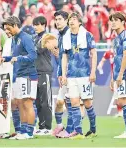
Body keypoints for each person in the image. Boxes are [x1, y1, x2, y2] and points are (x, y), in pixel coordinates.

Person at [61, 13, 97, 139]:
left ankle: (93, 128)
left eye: (74, 19)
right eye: (70, 19)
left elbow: (93, 53)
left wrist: (93, 72)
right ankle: (78, 131)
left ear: (79, 22)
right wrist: (63, 74)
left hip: (84, 74)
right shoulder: (65, 37)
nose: (71, 21)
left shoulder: (87, 35)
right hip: (71, 75)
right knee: (74, 102)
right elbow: (64, 56)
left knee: (87, 103)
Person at [1, 16, 37, 140]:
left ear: (15, 25)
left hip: (28, 75)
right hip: (18, 75)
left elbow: (33, 56)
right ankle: (23, 131)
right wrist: (4, 59)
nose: (6, 31)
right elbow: (14, 57)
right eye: (5, 29)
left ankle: (30, 133)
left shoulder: (25, 38)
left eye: (8, 28)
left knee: (27, 103)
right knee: (20, 103)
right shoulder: (14, 39)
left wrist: (18, 58)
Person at [52, 10, 74, 138]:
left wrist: (66, 73)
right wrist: (60, 73)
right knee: (60, 102)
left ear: (66, 20)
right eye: (56, 19)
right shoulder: (60, 36)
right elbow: (61, 57)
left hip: (71, 74)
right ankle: (60, 126)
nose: (57, 21)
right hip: (63, 74)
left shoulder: (70, 34)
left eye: (60, 19)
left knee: (70, 102)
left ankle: (71, 129)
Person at [32, 16, 53, 136]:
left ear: (44, 25)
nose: (35, 27)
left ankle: (48, 127)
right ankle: (41, 125)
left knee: (46, 101)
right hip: (35, 72)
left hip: (45, 71)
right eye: (34, 25)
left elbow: (37, 50)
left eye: (38, 24)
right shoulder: (34, 37)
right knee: (38, 102)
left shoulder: (47, 37)